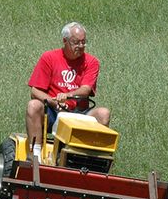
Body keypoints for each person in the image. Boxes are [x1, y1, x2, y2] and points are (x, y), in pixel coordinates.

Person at [26, 22, 111, 159]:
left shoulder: (91, 62)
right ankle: (35, 154)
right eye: (76, 42)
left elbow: (85, 89)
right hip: (53, 113)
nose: (80, 46)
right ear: (65, 41)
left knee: (104, 113)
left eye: (83, 42)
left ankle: (93, 158)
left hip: (79, 114)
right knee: (34, 105)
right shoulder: (49, 57)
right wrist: (54, 102)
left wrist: (67, 95)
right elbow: (35, 91)